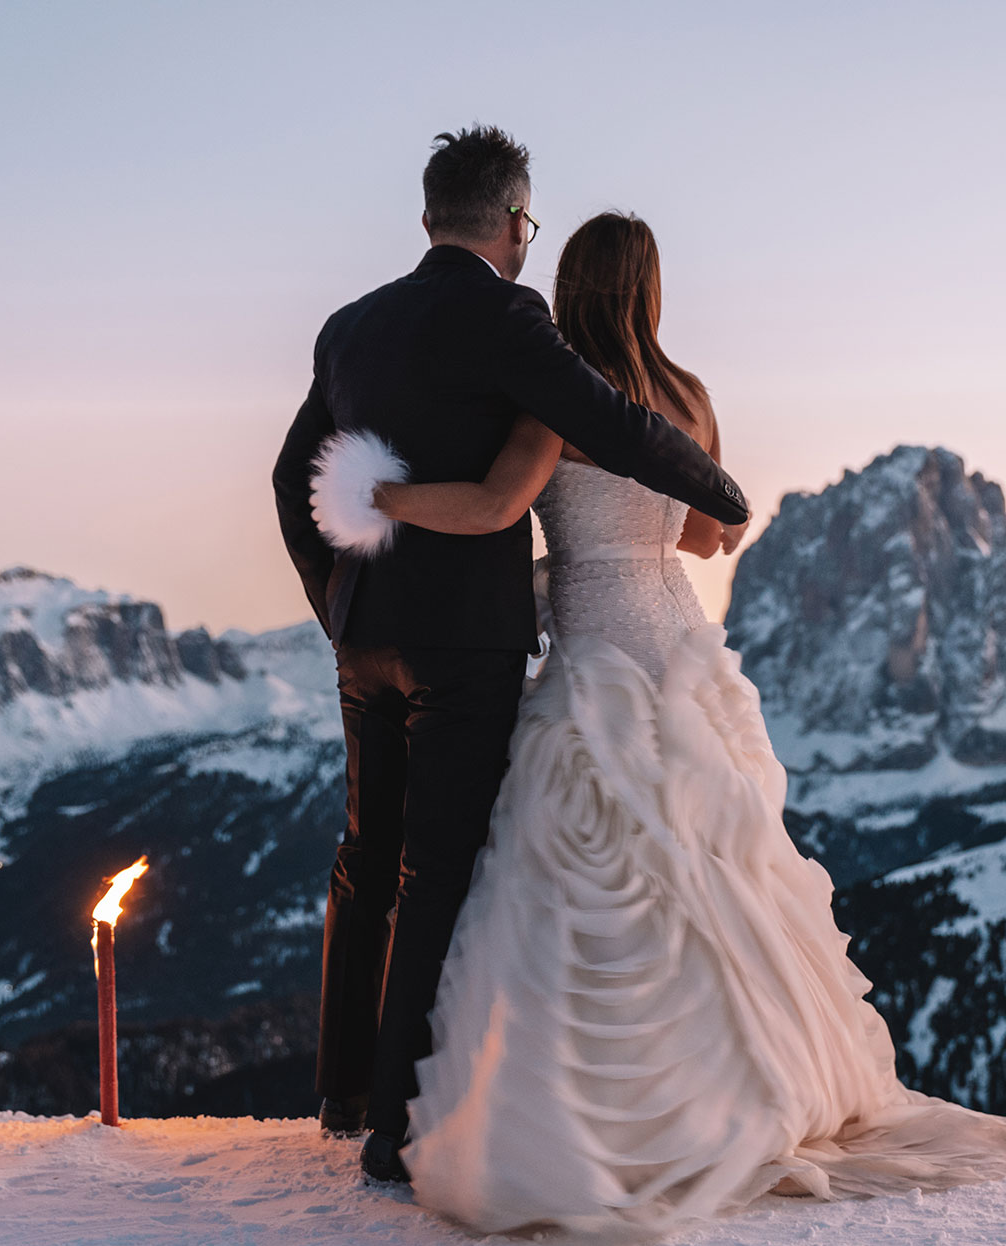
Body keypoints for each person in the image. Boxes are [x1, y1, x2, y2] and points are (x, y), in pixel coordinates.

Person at [334, 212, 1006, 1237]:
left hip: (595, 643)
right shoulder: (690, 399)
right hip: (676, 636)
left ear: (572, 287)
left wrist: (386, 496)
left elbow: (496, 507)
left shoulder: (558, 397)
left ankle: (608, 1109)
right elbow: (713, 536)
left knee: (594, 870)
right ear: (653, 291)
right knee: (716, 864)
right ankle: (760, 1085)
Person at [270, 128, 750, 1184]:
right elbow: (612, 424)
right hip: (468, 643)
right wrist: (718, 490)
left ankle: (342, 1088)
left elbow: (289, 475)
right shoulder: (510, 317)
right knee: (437, 869)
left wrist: (337, 601)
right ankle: (399, 1124)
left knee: (364, 854)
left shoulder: (349, 327)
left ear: (429, 213)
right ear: (514, 220)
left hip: (368, 639)